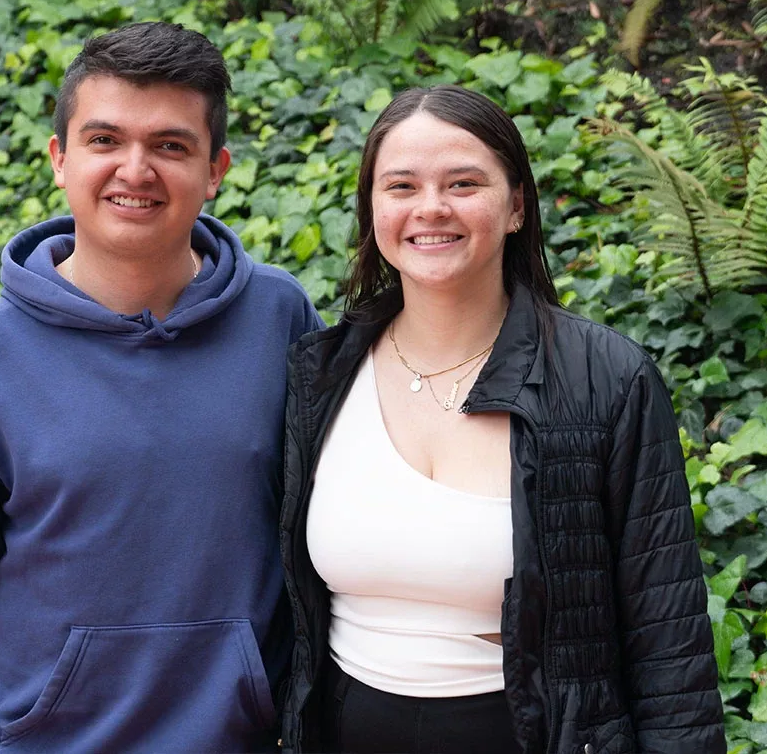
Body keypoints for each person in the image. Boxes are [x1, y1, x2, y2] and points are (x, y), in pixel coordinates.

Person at [0, 21, 322, 754]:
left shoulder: (281, 320)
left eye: (170, 145)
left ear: (215, 170)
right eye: (105, 140)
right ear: (60, 159)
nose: (136, 168)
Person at [277, 85, 724, 753]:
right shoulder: (321, 372)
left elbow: (668, 643)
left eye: (463, 183)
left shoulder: (603, 377)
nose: (431, 207)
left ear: (516, 205)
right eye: (401, 185)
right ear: (372, 209)